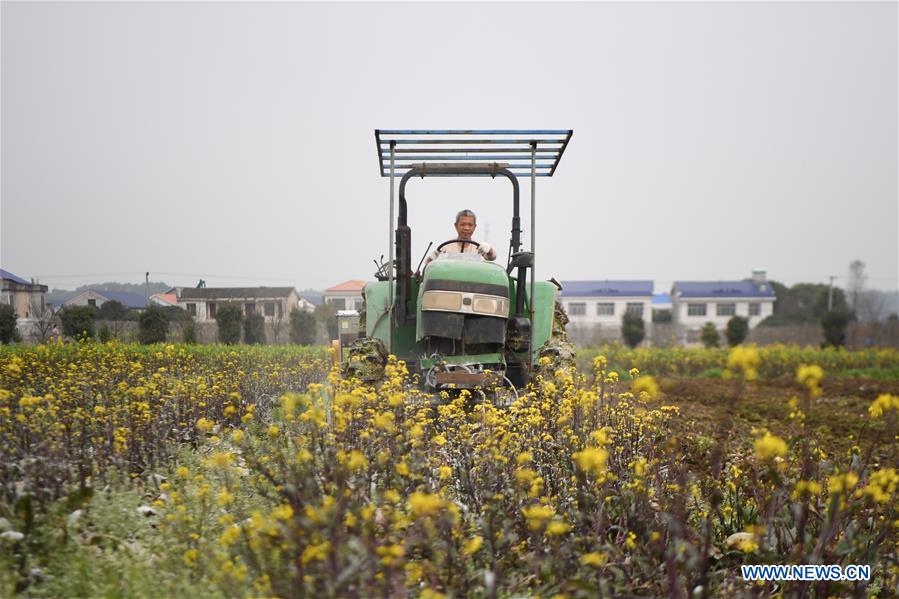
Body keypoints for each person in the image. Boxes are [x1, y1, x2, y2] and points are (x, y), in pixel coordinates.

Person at [426, 209, 497, 264]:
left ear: (474, 227)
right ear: (456, 226)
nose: (466, 228)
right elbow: (428, 263)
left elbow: (492, 257)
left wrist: (489, 249)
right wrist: (435, 254)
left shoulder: (480, 247)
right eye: (463, 224)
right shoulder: (446, 247)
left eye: (470, 225)